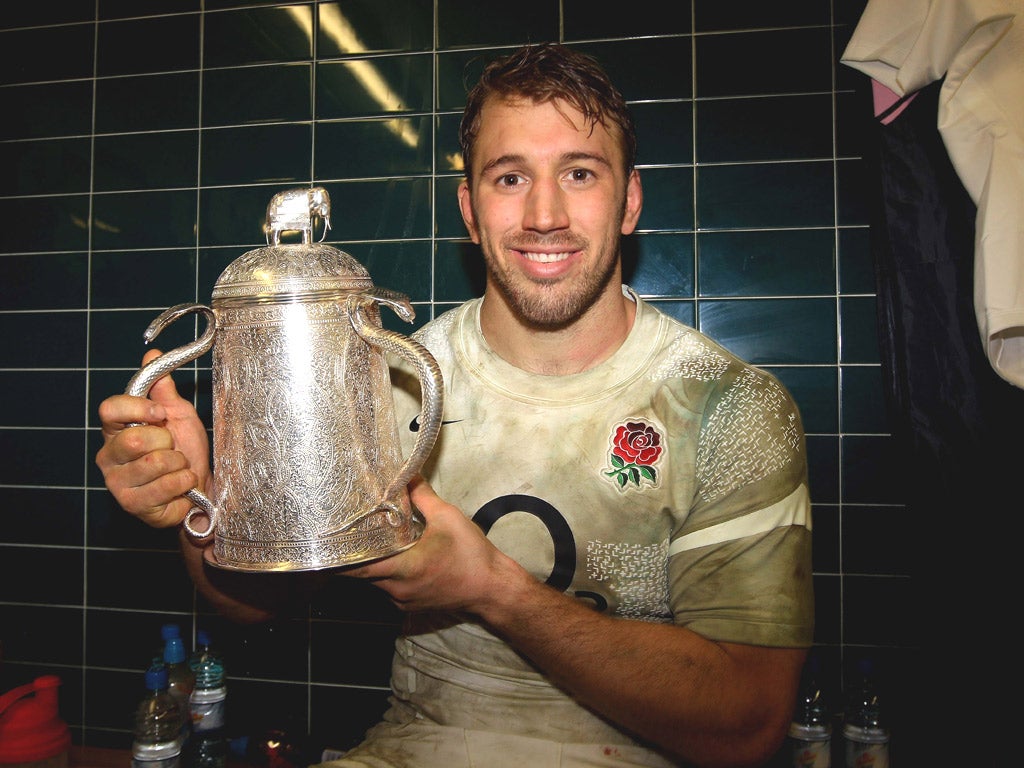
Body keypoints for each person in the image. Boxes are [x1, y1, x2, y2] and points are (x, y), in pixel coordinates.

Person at [96, 43, 814, 768]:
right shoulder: (391, 379)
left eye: (579, 173)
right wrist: (205, 503)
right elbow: (259, 607)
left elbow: (747, 727)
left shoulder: (729, 406)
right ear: (470, 210)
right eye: (510, 177)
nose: (544, 214)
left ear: (628, 200)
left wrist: (494, 590)